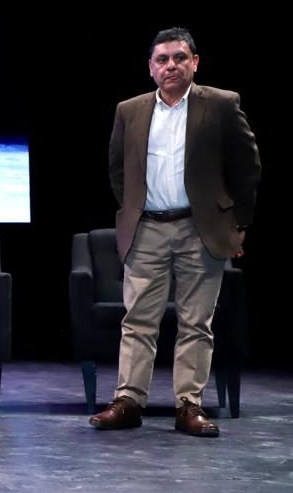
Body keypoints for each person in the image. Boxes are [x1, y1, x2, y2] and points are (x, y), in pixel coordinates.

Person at [90, 27, 261, 437]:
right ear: (150, 68)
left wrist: (238, 223)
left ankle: (189, 405)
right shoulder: (129, 110)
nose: (171, 65)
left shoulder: (221, 104)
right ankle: (129, 401)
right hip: (146, 229)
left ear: (195, 62)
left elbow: (247, 167)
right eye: (162, 59)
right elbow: (117, 169)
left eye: (180, 57)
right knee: (137, 321)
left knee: (196, 323)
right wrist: (133, 209)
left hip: (199, 229)